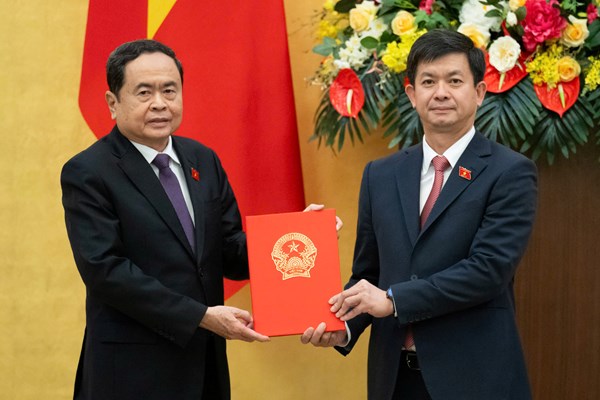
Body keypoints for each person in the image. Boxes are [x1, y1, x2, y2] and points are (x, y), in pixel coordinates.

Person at [61, 39, 338, 400]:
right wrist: (199, 316)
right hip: (131, 369)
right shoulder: (89, 171)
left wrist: (298, 234)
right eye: (144, 92)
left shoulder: (202, 159)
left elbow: (230, 251)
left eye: (169, 90)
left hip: (204, 365)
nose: (159, 103)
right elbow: (106, 271)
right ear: (113, 103)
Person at [301, 29, 537, 400]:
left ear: (479, 92)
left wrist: (394, 299)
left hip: (474, 379)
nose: (440, 92)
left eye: (454, 81)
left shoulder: (510, 172)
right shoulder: (380, 174)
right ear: (412, 95)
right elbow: (369, 274)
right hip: (394, 380)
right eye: (428, 82)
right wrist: (341, 327)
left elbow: (488, 270)